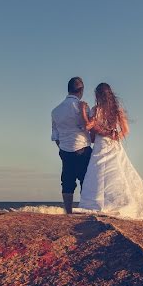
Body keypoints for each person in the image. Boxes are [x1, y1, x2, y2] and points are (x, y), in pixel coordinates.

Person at [77, 83, 143, 223]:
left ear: (98, 95)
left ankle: (103, 205)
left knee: (104, 175)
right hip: (110, 145)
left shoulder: (98, 110)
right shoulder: (113, 111)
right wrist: (112, 135)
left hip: (104, 145)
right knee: (115, 176)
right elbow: (124, 132)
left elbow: (94, 134)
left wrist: (95, 126)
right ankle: (113, 204)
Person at [50, 77, 92, 214]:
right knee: (86, 180)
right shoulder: (83, 107)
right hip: (83, 148)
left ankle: (68, 212)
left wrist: (63, 148)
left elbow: (55, 135)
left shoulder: (55, 111)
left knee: (67, 181)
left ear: (68, 89)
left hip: (64, 150)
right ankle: (86, 209)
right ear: (81, 90)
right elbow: (89, 127)